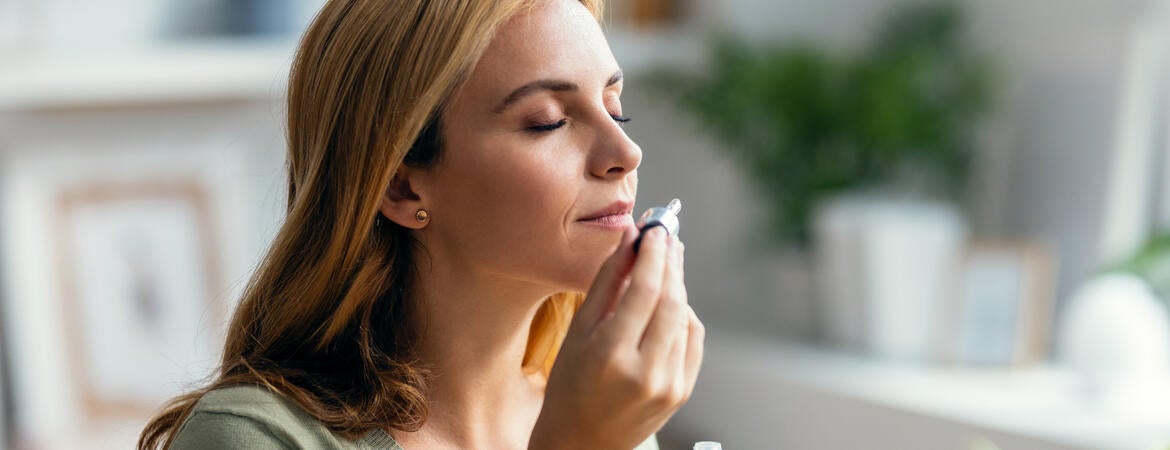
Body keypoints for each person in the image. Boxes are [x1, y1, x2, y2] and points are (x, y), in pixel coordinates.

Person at [137, 0, 703, 448]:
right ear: (401, 187)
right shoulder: (252, 440)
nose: (625, 151)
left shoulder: (605, 409)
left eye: (615, 106)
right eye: (547, 122)